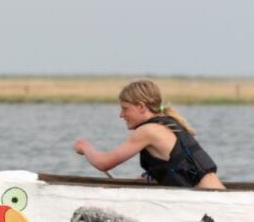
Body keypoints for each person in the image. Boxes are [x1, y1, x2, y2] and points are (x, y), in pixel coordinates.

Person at [74, 79, 225, 189]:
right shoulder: (167, 123)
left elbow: (104, 163)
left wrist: (85, 147)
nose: (121, 115)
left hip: (211, 203)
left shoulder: (148, 131)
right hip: (214, 197)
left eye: (125, 108)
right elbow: (173, 168)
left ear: (141, 106)